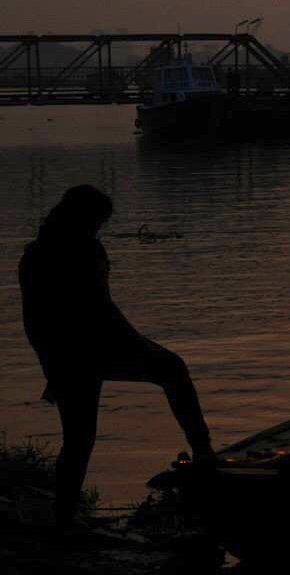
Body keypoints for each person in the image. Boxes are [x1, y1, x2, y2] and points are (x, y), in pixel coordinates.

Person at [17, 185, 215, 529]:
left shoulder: (34, 254)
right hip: (96, 346)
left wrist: (50, 363)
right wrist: (135, 343)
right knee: (174, 369)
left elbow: (33, 320)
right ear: (88, 219)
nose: (100, 228)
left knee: (78, 438)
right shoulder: (86, 251)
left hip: (62, 353)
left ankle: (63, 518)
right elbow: (100, 308)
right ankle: (203, 450)